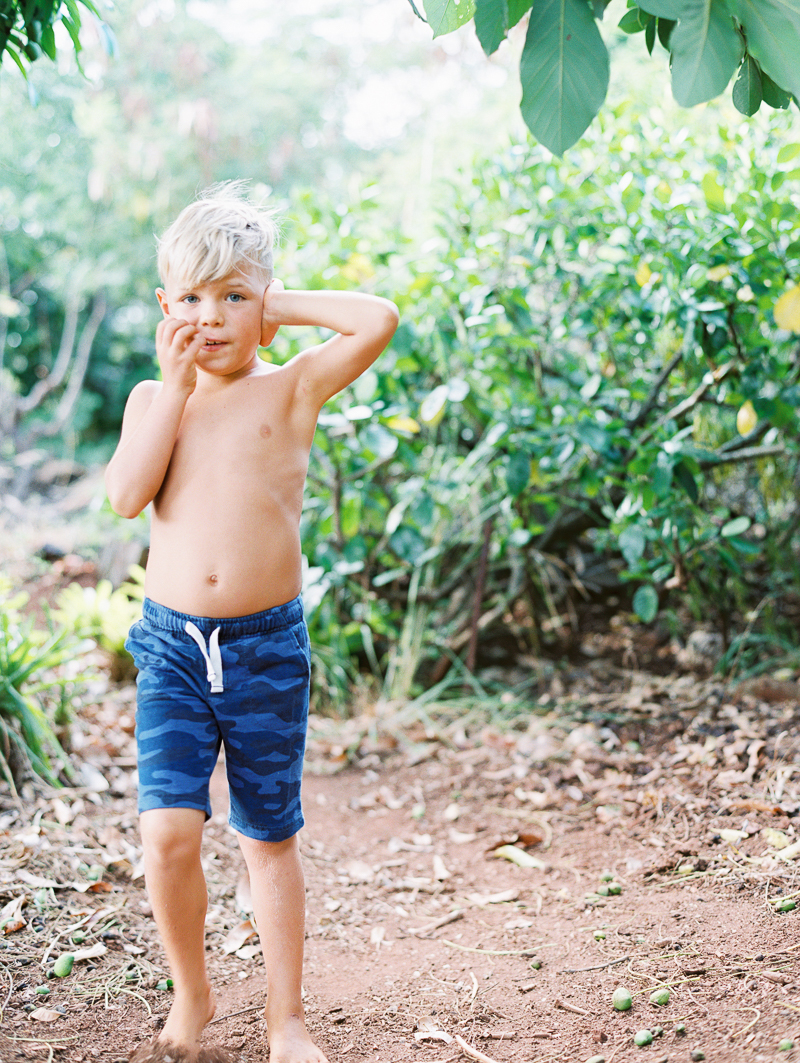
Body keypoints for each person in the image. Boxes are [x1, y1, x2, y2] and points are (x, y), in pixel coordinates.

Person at [105, 183, 399, 1063]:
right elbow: (126, 497)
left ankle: (285, 1019)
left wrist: (275, 307)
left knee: (268, 836)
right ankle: (191, 998)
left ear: (262, 308)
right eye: (192, 298)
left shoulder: (292, 389)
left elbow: (376, 317)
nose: (213, 315)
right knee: (167, 831)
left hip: (265, 646)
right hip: (171, 649)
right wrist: (174, 385)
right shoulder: (154, 401)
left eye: (234, 296)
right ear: (166, 309)